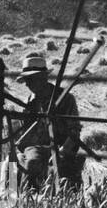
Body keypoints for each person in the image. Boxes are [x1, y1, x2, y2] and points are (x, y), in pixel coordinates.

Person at [13, 54, 84, 191]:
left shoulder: (65, 99)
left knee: (65, 178)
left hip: (62, 146)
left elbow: (75, 131)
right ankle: (30, 200)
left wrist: (63, 151)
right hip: (36, 149)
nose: (27, 84)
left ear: (43, 78)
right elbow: (25, 138)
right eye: (26, 80)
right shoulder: (28, 104)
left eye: (31, 79)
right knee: (31, 164)